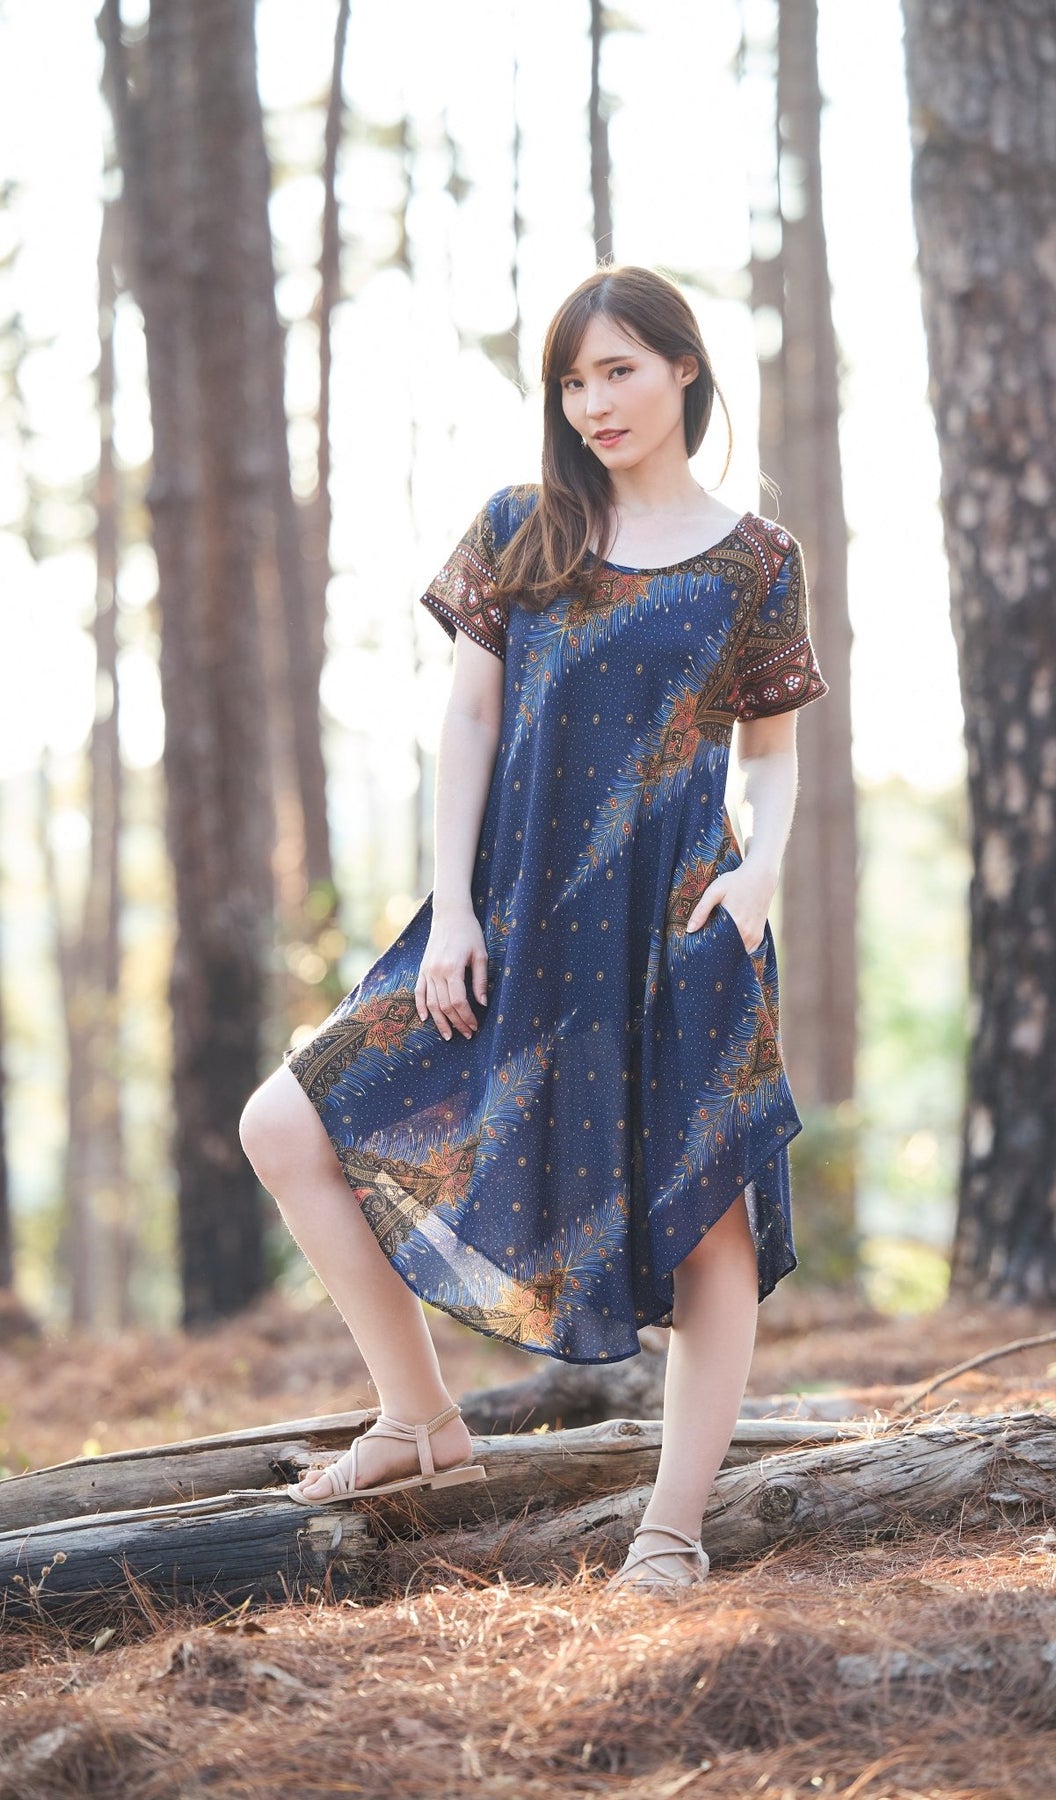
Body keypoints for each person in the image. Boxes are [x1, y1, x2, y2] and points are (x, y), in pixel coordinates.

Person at [238, 263, 829, 1589]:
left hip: (680, 920)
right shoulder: (522, 528)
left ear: (684, 368)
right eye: (572, 381)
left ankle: (670, 1533)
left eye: (618, 370)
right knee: (284, 1124)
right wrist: (452, 908)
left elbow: (774, 756)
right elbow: (469, 718)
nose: (593, 403)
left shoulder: (757, 560)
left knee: (709, 1227)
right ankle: (417, 1416)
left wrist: (764, 876)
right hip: (510, 913)